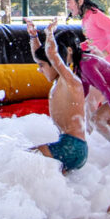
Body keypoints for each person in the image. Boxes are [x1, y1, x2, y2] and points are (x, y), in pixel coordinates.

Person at [24, 17, 88, 173]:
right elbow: (42, 56)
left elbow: (51, 54)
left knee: (21, 159)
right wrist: (33, 37)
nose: (39, 70)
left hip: (71, 146)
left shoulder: (70, 81)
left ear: (55, 63)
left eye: (42, 66)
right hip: (71, 146)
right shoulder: (60, 81)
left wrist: (50, 33)